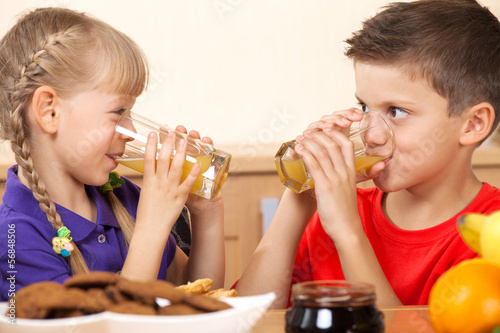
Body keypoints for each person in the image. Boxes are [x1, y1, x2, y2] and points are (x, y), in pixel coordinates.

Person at [235, 0, 500, 308]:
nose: (372, 133)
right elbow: (251, 317)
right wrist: (300, 194)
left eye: (397, 111)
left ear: (473, 124)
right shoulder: (340, 208)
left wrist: (348, 234)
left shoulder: (488, 234)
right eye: (364, 107)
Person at [0, 7, 225, 301]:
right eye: (119, 111)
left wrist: (206, 214)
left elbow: (195, 291)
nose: (129, 129)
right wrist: (151, 228)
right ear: (49, 111)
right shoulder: (14, 238)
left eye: (130, 112)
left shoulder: (123, 196)